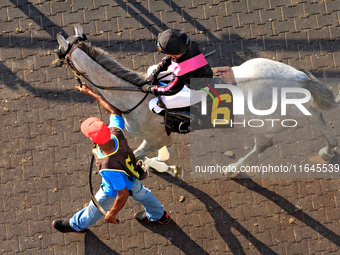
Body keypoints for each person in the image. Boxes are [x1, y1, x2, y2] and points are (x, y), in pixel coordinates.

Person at [52, 84, 170, 233]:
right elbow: (114, 111)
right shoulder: (116, 132)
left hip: (112, 189)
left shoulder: (107, 166)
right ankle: (159, 216)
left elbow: (122, 194)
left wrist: (112, 214)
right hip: (133, 175)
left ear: (92, 139)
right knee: (144, 194)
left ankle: (77, 225)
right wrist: (91, 93)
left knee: (96, 207)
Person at [141, 29, 213, 133]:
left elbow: (170, 89)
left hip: (196, 92)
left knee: (153, 106)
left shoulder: (182, 70)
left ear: (176, 54)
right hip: (192, 76)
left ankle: (186, 120)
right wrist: (155, 72)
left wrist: (152, 89)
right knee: (151, 69)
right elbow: (168, 59)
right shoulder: (188, 44)